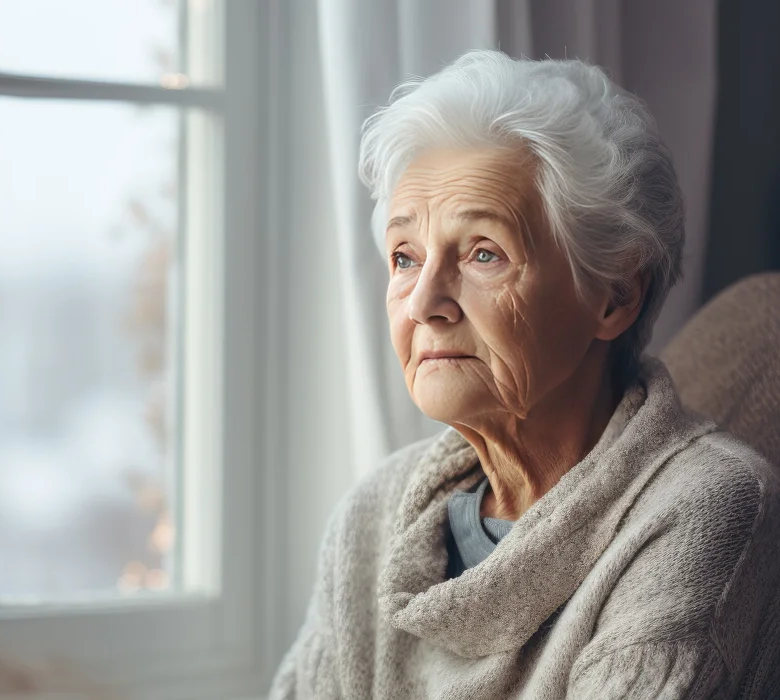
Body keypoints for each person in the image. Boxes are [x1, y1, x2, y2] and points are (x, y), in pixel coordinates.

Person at [270, 50, 780, 699]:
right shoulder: (374, 517)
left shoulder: (706, 511)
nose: (424, 302)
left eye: (485, 252)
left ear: (615, 296)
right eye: (405, 257)